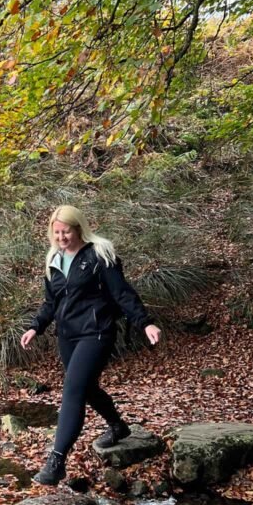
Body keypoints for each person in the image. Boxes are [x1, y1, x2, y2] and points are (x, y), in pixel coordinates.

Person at [20, 205, 161, 486]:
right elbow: (52, 302)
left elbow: (122, 293)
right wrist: (36, 326)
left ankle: (56, 461)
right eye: (56, 232)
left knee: (73, 388)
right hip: (68, 336)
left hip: (96, 333)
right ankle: (118, 426)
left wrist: (145, 322)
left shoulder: (99, 255)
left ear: (78, 228)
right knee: (87, 388)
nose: (61, 237)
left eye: (66, 231)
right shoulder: (54, 260)